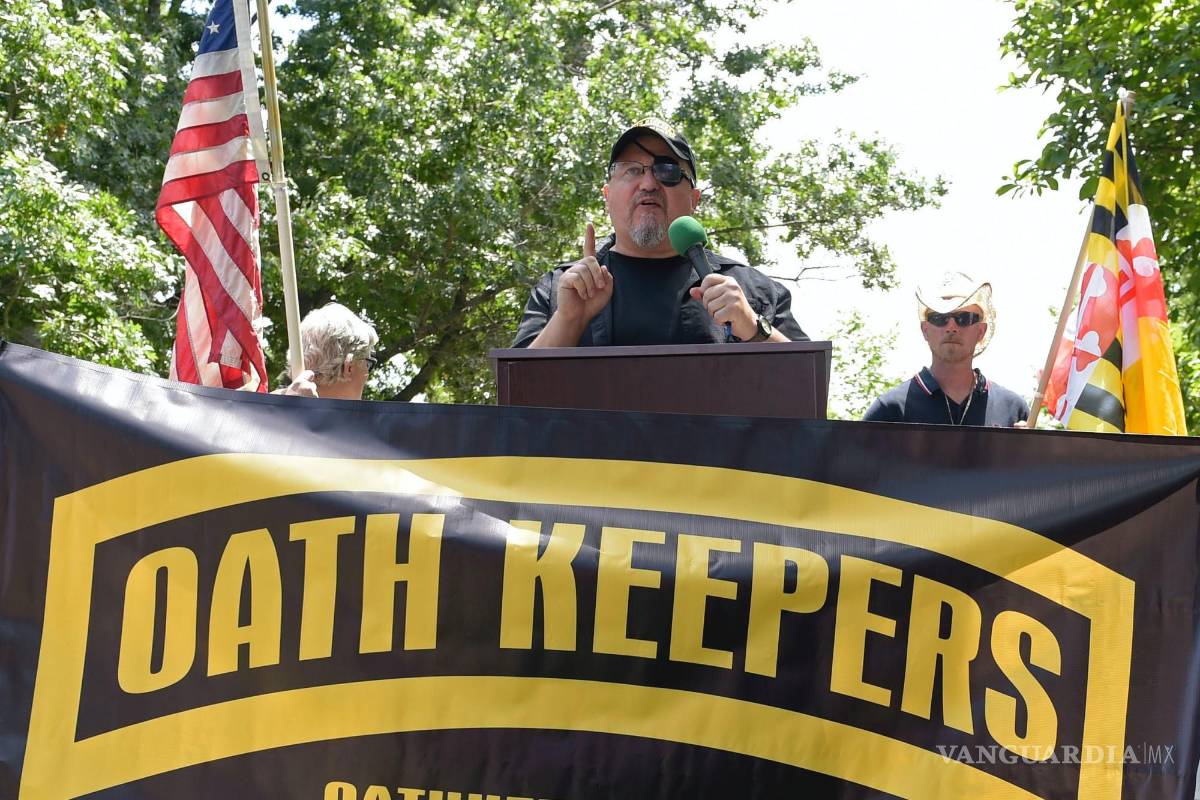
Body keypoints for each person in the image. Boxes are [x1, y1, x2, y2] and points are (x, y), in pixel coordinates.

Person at [513, 118, 807, 348]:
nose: (649, 184)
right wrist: (568, 320)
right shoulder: (562, 289)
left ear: (694, 200)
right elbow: (515, 398)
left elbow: (807, 388)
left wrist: (752, 327)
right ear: (607, 195)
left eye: (666, 171)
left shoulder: (751, 291)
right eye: (631, 170)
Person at [863, 272, 1029, 426]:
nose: (951, 327)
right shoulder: (888, 410)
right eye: (939, 318)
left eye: (964, 318)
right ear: (925, 330)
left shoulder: (1014, 410)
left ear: (981, 331)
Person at [277, 302, 379, 400]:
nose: (367, 375)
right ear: (349, 366)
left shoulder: (266, 408)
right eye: (368, 364)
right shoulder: (366, 417)